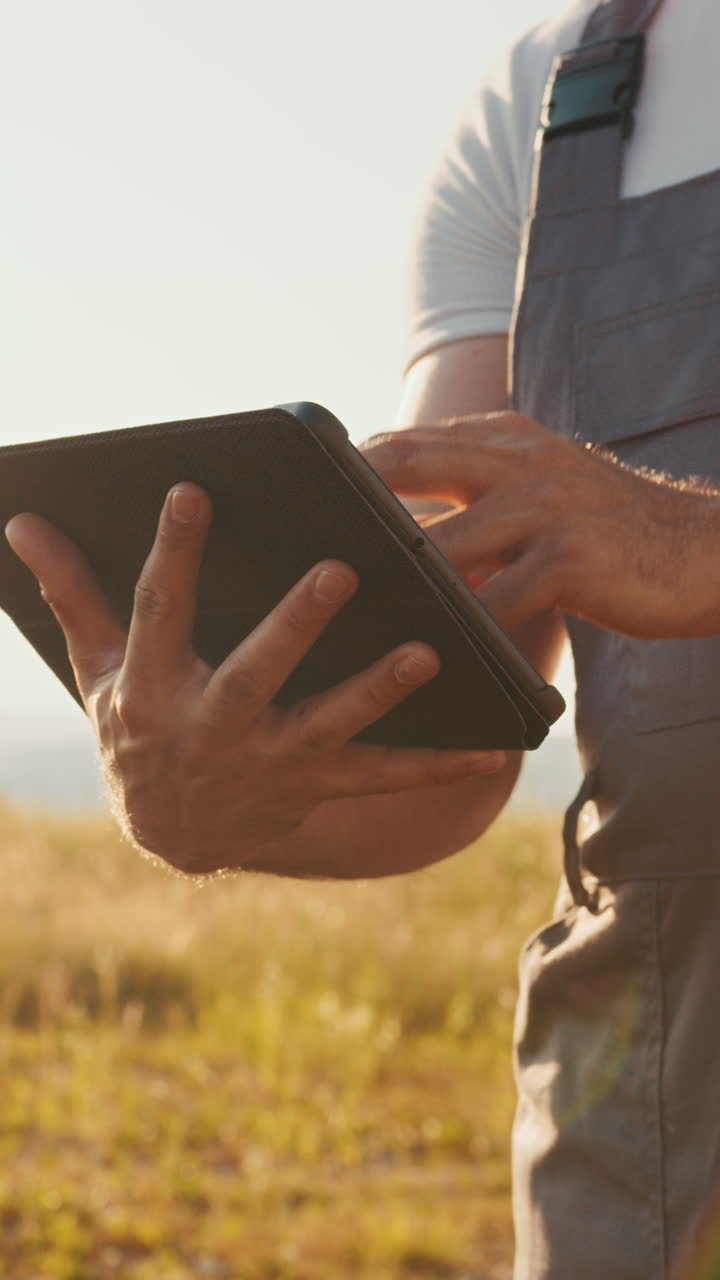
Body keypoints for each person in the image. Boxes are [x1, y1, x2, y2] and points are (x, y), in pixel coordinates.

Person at [6, 0, 720, 1273]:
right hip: (647, 1091)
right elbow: (452, 743)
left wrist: (691, 544)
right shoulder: (549, 107)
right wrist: (223, 800)